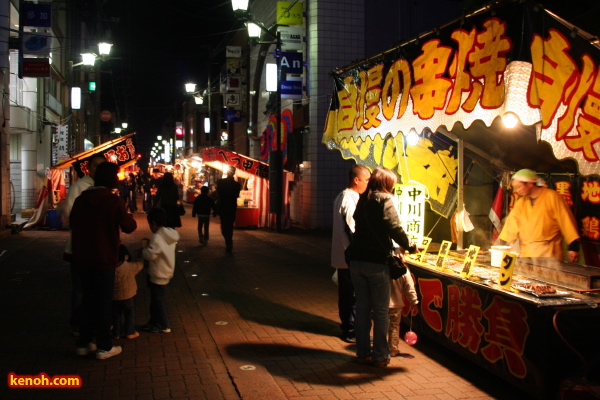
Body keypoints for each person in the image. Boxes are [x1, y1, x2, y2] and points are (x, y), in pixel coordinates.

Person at [346, 167, 417, 367]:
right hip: (376, 262)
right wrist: (410, 245)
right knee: (380, 311)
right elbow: (394, 226)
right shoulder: (384, 199)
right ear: (386, 183)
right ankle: (379, 355)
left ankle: (362, 353)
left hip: (357, 261)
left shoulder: (363, 199)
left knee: (362, 309)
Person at [70, 161, 137, 360]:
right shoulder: (112, 200)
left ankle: (84, 341)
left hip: (82, 257)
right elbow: (129, 227)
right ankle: (104, 346)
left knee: (87, 299)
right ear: (111, 179)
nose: (119, 179)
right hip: (105, 257)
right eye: (117, 176)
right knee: (103, 302)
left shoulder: (82, 198)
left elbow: (72, 221)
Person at [61, 154, 106, 337]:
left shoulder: (105, 189)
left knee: (97, 289)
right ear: (88, 167)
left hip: (99, 248)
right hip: (80, 247)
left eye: (101, 166)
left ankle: (92, 323)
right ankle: (77, 323)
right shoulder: (79, 187)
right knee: (80, 289)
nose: (97, 169)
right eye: (95, 166)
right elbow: (69, 215)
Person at [498, 169, 580, 263]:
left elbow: (567, 221)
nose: (517, 191)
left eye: (519, 187)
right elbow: (510, 226)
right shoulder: (521, 203)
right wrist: (503, 246)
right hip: (526, 254)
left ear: (529, 183)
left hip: (549, 254)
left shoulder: (552, 197)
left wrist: (573, 247)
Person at [331, 165, 370, 343]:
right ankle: (350, 329)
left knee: (347, 294)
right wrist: (358, 248)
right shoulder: (349, 198)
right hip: (349, 255)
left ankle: (348, 326)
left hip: (344, 254)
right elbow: (351, 227)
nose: (368, 183)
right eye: (366, 180)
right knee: (351, 295)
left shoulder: (343, 196)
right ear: (356, 180)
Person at [141, 207, 180, 334]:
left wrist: (143, 251)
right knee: (156, 300)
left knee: (158, 300)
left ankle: (163, 325)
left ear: (153, 222)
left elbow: (151, 254)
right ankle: (154, 322)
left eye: (150, 224)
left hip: (158, 272)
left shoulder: (157, 237)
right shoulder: (169, 233)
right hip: (166, 270)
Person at [112, 245, 143, 340]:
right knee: (129, 314)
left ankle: (116, 333)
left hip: (114, 298)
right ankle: (130, 332)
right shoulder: (129, 266)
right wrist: (140, 256)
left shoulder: (109, 269)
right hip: (128, 296)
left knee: (115, 315)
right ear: (125, 256)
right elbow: (140, 265)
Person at [388, 268, 419, 356]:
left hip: (382, 304)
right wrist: (414, 302)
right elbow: (410, 288)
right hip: (396, 304)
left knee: (380, 326)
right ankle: (393, 349)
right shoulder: (403, 270)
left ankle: (379, 349)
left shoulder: (383, 266)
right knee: (394, 327)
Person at [215, 167, 241, 253]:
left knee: (225, 226)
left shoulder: (221, 182)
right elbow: (236, 195)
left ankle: (228, 241)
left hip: (224, 206)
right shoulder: (237, 185)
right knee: (229, 225)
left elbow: (218, 193)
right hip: (231, 207)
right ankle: (229, 241)